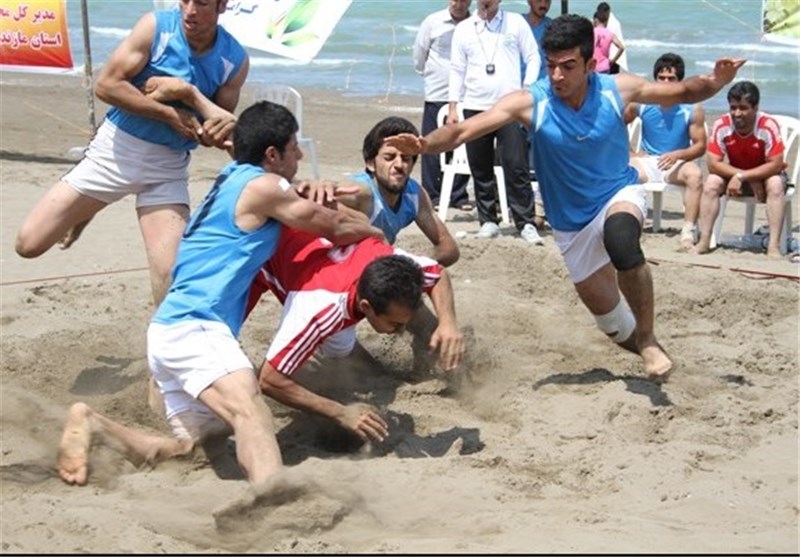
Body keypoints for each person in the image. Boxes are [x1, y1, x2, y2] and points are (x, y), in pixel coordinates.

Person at [385, 14, 745, 380]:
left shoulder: (616, 89)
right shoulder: (530, 102)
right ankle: (650, 350)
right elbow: (462, 130)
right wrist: (425, 144)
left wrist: (717, 80)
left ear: (591, 64)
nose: (557, 76)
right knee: (616, 329)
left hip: (616, 192)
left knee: (622, 240)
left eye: (568, 66)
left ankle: (650, 339)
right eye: (551, 65)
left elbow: (683, 93)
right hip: (571, 226)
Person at [56, 101, 385, 487]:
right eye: (294, 147)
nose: (299, 154)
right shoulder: (266, 185)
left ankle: (95, 424)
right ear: (272, 154)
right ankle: (274, 497)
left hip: (170, 331)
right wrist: (375, 233)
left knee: (200, 447)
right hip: (195, 325)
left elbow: (301, 207)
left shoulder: (234, 177)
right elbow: (332, 226)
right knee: (251, 412)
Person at [15, 0, 248, 306]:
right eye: (185, 1)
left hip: (167, 168)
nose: (190, 10)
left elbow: (210, 133)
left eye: (202, 3)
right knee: (28, 244)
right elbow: (107, 86)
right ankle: (89, 208)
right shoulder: (156, 28)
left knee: (172, 274)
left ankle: (167, 346)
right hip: (116, 152)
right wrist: (168, 114)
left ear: (222, 6)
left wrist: (186, 92)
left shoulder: (234, 59)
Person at [253, 227, 464, 443]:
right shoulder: (318, 311)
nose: (401, 332)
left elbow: (437, 273)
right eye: (395, 324)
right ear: (366, 307)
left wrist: (448, 324)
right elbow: (269, 380)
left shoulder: (386, 262)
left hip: (318, 256)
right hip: (259, 255)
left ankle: (373, 372)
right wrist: (339, 412)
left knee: (341, 352)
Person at [449, 0, 543, 244]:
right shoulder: (465, 28)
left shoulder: (515, 22)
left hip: (509, 107)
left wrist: (527, 89)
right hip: (474, 105)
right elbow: (457, 69)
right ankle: (488, 220)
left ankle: (525, 222)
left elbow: (533, 57)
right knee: (480, 167)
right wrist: (452, 106)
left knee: (516, 165)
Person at [692, 81, 787, 258]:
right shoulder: (722, 125)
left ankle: (773, 246)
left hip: (766, 176)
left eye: (743, 108)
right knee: (712, 182)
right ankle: (705, 240)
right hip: (736, 175)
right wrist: (740, 175)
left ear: (755, 107)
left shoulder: (767, 125)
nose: (737, 113)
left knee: (775, 184)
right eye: (733, 107)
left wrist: (744, 176)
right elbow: (713, 164)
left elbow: (775, 164)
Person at [624, 53, 707, 251]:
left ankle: (687, 233)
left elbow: (700, 145)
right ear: (655, 79)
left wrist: (678, 154)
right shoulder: (641, 103)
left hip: (675, 164)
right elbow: (614, 124)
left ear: (680, 81)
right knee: (621, 170)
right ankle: (630, 226)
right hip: (648, 161)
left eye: (671, 79)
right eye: (662, 78)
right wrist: (631, 152)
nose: (666, 82)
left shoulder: (692, 109)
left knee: (695, 176)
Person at [413, 0, 473, 211]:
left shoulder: (474, 23)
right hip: (437, 92)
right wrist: (431, 75)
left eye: (465, 0)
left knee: (461, 142)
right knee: (430, 144)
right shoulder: (433, 22)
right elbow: (419, 55)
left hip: (465, 93)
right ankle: (432, 193)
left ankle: (458, 195)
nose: (460, 4)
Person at [523, 0, 553, 82]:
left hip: (541, 85)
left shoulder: (553, 28)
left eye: (547, 1)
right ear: (529, 1)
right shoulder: (517, 23)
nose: (543, 4)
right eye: (539, 0)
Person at [592, 6, 624, 75]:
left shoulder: (593, 32)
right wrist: (613, 61)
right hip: (605, 66)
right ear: (606, 21)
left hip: (594, 66)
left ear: (596, 20)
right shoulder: (610, 34)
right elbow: (621, 47)